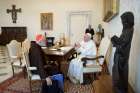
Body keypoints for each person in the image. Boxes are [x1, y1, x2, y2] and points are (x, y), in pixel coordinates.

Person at [110, 12, 134, 93]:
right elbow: (121, 41)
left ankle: (121, 89)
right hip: (121, 54)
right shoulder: (126, 29)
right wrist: (115, 39)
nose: (122, 22)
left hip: (122, 55)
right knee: (118, 72)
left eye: (123, 21)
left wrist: (113, 38)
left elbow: (122, 43)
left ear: (127, 20)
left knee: (121, 73)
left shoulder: (128, 30)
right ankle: (120, 87)